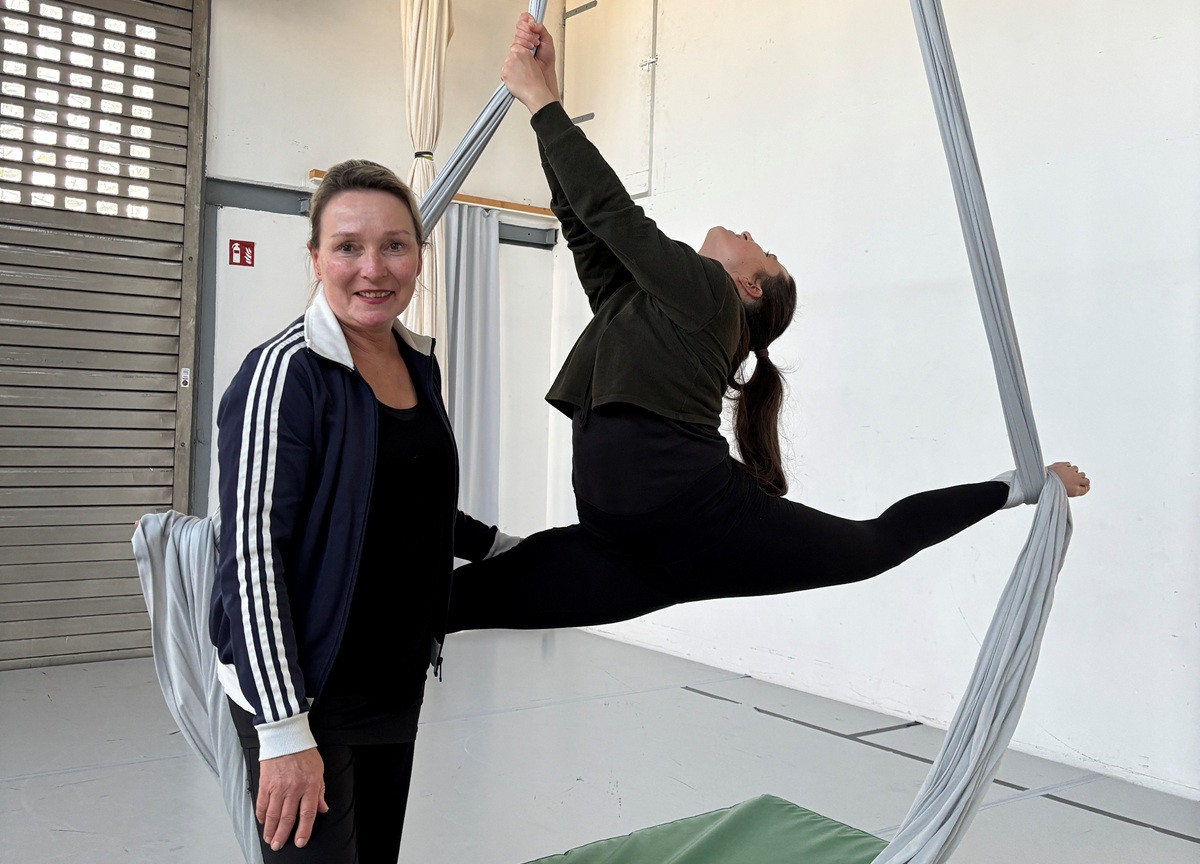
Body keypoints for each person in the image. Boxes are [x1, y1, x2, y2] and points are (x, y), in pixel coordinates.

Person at [446, 16, 1090, 633]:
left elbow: (613, 214)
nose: (751, 234)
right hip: (626, 556)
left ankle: (1013, 489)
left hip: (692, 522)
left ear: (749, 286)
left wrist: (539, 102)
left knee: (871, 545)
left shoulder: (713, 300)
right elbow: (583, 220)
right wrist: (550, 95)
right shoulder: (638, 305)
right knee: (439, 607)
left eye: (765, 250)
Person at [208, 160, 513, 862]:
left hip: (390, 681)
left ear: (418, 256)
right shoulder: (284, 373)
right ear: (315, 258)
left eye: (394, 246)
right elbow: (250, 557)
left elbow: (403, 494)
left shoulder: (418, 363)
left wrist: (499, 546)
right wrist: (282, 732)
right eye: (347, 246)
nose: (372, 268)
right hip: (301, 689)